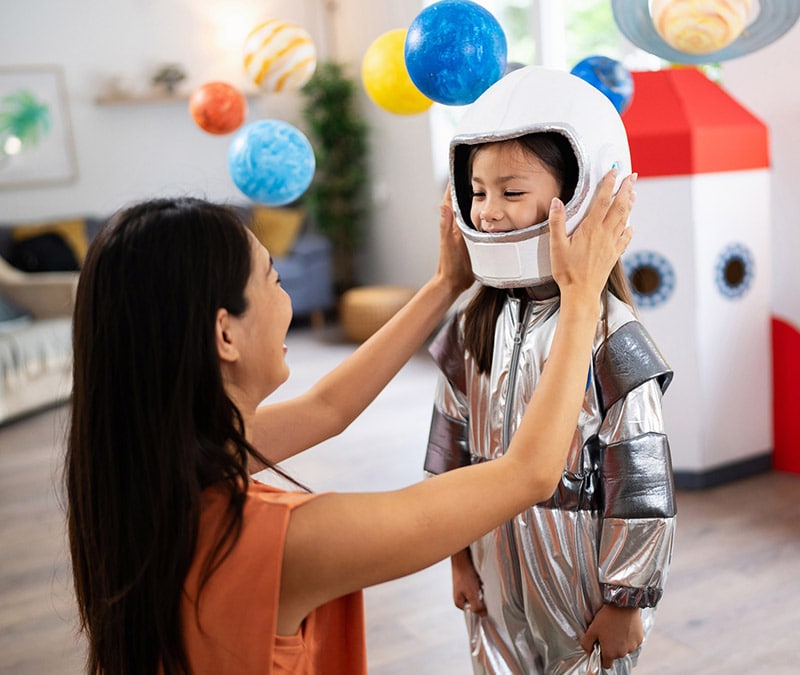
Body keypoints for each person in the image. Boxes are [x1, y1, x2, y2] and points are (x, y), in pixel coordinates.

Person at [65, 164, 633, 673]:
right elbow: (528, 475)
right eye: (274, 280)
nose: (285, 301)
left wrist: (445, 285)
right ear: (225, 334)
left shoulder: (146, 465)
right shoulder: (283, 542)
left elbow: (328, 409)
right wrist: (581, 298)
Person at [423, 66, 676, 674]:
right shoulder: (471, 323)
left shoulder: (610, 331)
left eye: (511, 193)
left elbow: (641, 476)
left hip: (580, 574)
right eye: (477, 192)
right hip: (491, 562)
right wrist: (456, 552)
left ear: (583, 195)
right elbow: (446, 445)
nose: (487, 213)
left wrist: (627, 596)